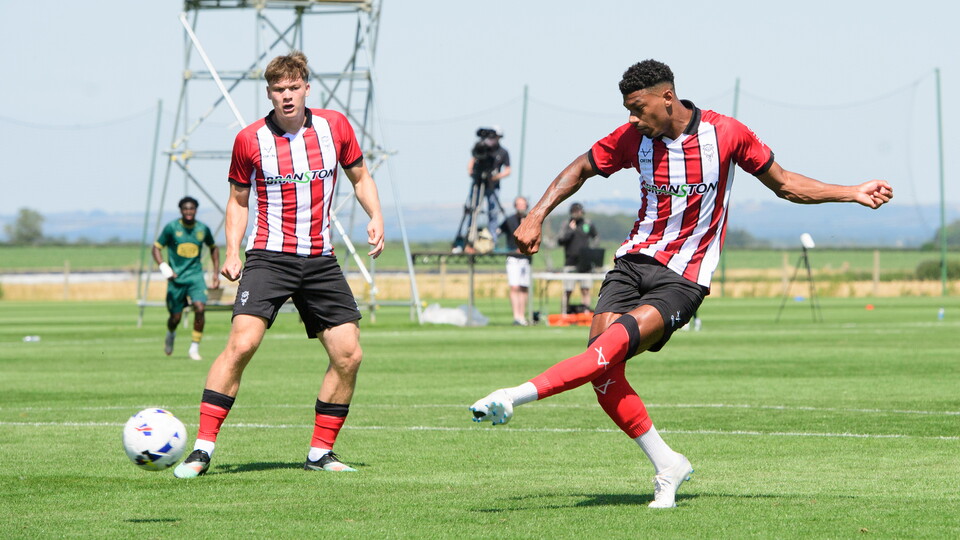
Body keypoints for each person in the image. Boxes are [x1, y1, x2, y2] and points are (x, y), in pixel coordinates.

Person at [469, 59, 892, 508]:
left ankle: (513, 396)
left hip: (683, 278)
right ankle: (668, 464)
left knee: (601, 355)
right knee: (603, 374)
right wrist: (536, 214)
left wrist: (852, 191)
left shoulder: (725, 134)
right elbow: (581, 167)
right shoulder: (633, 139)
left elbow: (785, 184)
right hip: (631, 264)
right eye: (628, 110)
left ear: (667, 98)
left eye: (638, 107)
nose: (632, 118)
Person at [173, 51, 385, 479]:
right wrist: (232, 251)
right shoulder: (249, 139)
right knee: (242, 344)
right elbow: (238, 201)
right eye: (278, 90)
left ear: (307, 88)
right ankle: (201, 449)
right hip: (269, 258)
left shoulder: (335, 127)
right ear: (268, 93)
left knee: (349, 354)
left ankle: (320, 453)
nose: (287, 96)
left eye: (293, 88)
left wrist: (376, 216)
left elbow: (361, 177)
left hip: (320, 260)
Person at [152, 196, 220, 361]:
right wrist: (164, 267)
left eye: (191, 209)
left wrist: (215, 273)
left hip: (195, 277)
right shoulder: (172, 228)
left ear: (196, 210)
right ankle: (171, 334)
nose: (189, 211)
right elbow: (156, 248)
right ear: (181, 211)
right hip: (176, 279)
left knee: (200, 308)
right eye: (185, 209)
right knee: (175, 317)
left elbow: (213, 248)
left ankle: (194, 348)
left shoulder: (202, 229)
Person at [464, 126, 511, 248]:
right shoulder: (482, 148)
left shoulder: (503, 152)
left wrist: (496, 177)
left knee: (493, 211)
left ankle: (492, 240)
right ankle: (469, 237)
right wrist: (470, 171)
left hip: (492, 185)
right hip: (478, 182)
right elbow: (473, 159)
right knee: (473, 209)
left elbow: (508, 170)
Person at [557, 202, 599, 312]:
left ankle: (585, 312)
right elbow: (560, 240)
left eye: (579, 211)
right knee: (568, 289)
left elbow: (595, 237)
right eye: (575, 211)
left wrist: (592, 250)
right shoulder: (566, 224)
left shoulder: (587, 223)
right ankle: (565, 312)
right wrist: (571, 230)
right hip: (570, 261)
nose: (577, 213)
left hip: (585, 262)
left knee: (586, 289)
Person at [499, 196, 532, 326]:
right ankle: (516, 316)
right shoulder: (509, 220)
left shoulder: (530, 220)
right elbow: (498, 231)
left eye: (523, 204)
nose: (521, 207)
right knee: (514, 286)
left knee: (523, 287)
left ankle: (522, 316)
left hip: (525, 258)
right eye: (519, 204)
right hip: (513, 257)